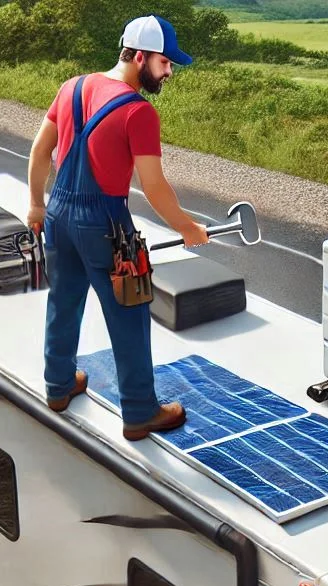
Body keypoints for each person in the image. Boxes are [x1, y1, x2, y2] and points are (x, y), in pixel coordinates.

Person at [27, 14, 208, 437]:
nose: (168, 73)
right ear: (140, 56)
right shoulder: (139, 112)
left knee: (64, 300)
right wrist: (187, 227)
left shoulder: (71, 87)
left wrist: (36, 206)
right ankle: (141, 411)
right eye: (165, 64)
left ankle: (58, 386)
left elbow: (40, 151)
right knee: (130, 313)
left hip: (58, 215)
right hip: (107, 225)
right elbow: (154, 185)